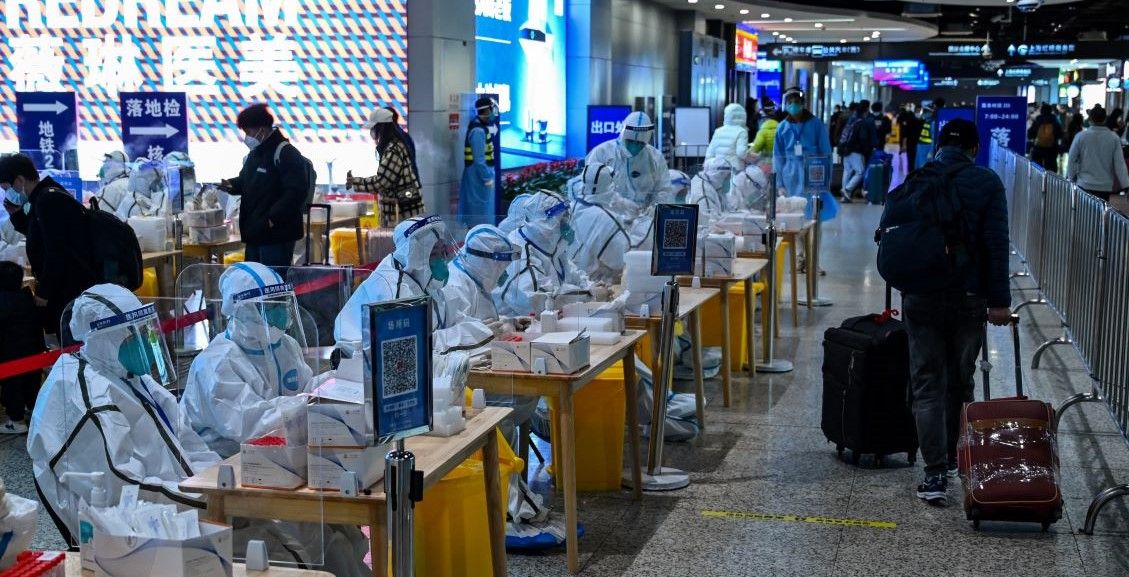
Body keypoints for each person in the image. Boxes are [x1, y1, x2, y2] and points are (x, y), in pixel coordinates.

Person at [28, 284, 222, 541]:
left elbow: (187, 440)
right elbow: (123, 489)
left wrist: (223, 482)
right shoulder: (83, 396)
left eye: (146, 329)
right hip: (136, 535)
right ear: (104, 339)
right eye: (134, 335)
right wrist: (214, 501)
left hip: (179, 508)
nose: (147, 340)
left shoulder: (129, 375)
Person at [899, 119, 1012, 505]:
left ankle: (932, 476)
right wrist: (1000, 301)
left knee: (927, 381)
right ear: (975, 150)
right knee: (960, 380)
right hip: (969, 297)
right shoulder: (987, 182)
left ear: (939, 146)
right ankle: (952, 459)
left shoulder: (917, 178)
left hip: (920, 296)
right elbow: (996, 245)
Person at [181, 262, 314, 457]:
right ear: (244, 310)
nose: (281, 311)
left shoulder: (286, 345)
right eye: (270, 305)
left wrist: (334, 383)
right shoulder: (216, 364)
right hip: (219, 462)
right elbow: (253, 424)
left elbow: (305, 389)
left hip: (272, 454)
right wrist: (309, 401)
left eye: (282, 301)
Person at [334, 215, 488, 354]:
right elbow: (409, 345)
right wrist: (470, 333)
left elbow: (447, 318)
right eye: (434, 254)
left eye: (442, 252)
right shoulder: (394, 289)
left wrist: (480, 327)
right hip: (363, 364)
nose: (442, 260)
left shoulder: (422, 279)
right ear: (414, 255)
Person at [1, 154, 98, 335]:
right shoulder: (45, 196)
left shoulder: (48, 200)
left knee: (73, 343)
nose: (7, 194)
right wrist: (16, 214)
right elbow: (38, 235)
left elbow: (56, 251)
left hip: (69, 290)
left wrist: (43, 292)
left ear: (20, 180)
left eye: (6, 188)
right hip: (68, 286)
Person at [219, 104, 312, 268]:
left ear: (261, 129)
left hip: (276, 235)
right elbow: (246, 181)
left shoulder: (285, 153)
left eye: (248, 132)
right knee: (255, 283)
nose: (247, 137)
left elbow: (296, 191)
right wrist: (230, 185)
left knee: (273, 285)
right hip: (254, 234)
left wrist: (272, 219)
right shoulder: (254, 154)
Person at [494, 191, 603, 317]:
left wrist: (590, 285)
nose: (565, 225)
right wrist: (588, 294)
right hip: (518, 326)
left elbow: (572, 272)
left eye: (565, 219)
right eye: (561, 220)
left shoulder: (551, 245)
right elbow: (536, 300)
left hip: (550, 321)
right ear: (544, 223)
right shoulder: (518, 250)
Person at [348, 107, 425, 227]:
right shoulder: (397, 140)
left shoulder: (393, 148)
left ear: (381, 127)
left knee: (400, 243)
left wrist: (356, 183)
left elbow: (383, 181)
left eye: (374, 127)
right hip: (403, 204)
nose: (372, 132)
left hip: (403, 209)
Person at [585, 111, 670, 209]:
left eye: (640, 143)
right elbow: (589, 189)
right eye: (630, 141)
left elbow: (664, 190)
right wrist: (617, 203)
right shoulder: (602, 153)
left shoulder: (655, 158)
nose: (634, 146)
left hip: (643, 218)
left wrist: (653, 211)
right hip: (608, 217)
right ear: (622, 135)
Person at [568, 162, 632, 285]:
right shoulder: (608, 220)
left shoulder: (569, 209)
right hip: (594, 289)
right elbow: (621, 261)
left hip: (565, 287)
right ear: (610, 187)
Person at [0, 261, 43, 433]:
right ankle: (33, 410)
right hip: (33, 351)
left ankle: (16, 421)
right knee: (32, 383)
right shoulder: (27, 298)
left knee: (12, 387)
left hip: (9, 355)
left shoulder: (2, 303)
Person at [772, 89, 832, 198]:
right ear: (786, 105)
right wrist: (779, 184)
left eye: (797, 102)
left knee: (811, 209)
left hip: (813, 170)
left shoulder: (816, 124)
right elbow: (777, 157)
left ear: (803, 104)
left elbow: (826, 152)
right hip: (790, 173)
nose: (793, 105)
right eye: (790, 102)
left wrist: (826, 179)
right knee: (792, 208)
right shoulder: (782, 128)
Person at [1067, 106, 1129, 201]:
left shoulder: (1081, 136)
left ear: (1090, 119)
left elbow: (1071, 159)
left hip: (1084, 183)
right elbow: (1119, 164)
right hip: (1105, 186)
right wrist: (1126, 186)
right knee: (1101, 214)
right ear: (1105, 118)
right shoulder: (1113, 138)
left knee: (1083, 213)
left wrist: (1071, 178)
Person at [458, 97, 499, 226]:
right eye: (492, 109)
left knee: (481, 208)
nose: (494, 112)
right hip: (478, 177)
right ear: (487, 110)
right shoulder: (478, 131)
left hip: (478, 175)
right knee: (479, 210)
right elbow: (479, 159)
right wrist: (487, 178)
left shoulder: (480, 127)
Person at [839, 99, 878, 202]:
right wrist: (867, 150)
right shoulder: (862, 122)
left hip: (845, 150)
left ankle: (845, 195)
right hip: (856, 150)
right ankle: (847, 189)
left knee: (847, 171)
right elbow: (863, 138)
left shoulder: (851, 119)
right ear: (865, 110)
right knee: (860, 172)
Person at [706, 103, 750, 171]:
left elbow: (710, 152)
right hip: (734, 170)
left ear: (727, 115)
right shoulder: (741, 132)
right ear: (743, 116)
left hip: (718, 169)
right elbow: (741, 154)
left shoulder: (718, 131)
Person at [1027, 103, 1064, 173]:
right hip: (1052, 149)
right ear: (1050, 111)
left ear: (1041, 111)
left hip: (1038, 148)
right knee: (1051, 168)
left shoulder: (1038, 120)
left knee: (1037, 168)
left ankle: (1038, 181)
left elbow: (1031, 134)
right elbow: (1060, 134)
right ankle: (1051, 182)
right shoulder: (1054, 120)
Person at [897, 104, 923, 172]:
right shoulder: (912, 120)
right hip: (911, 141)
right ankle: (911, 171)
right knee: (911, 157)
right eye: (917, 110)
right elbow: (906, 132)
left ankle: (912, 170)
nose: (918, 112)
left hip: (919, 142)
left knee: (915, 158)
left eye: (919, 110)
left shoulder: (922, 120)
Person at [916, 103, 936, 170]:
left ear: (931, 112)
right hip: (920, 146)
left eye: (926, 111)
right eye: (924, 111)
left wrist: (931, 151)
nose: (924, 113)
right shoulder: (925, 121)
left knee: (924, 168)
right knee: (919, 166)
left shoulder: (932, 123)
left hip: (926, 147)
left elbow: (933, 139)